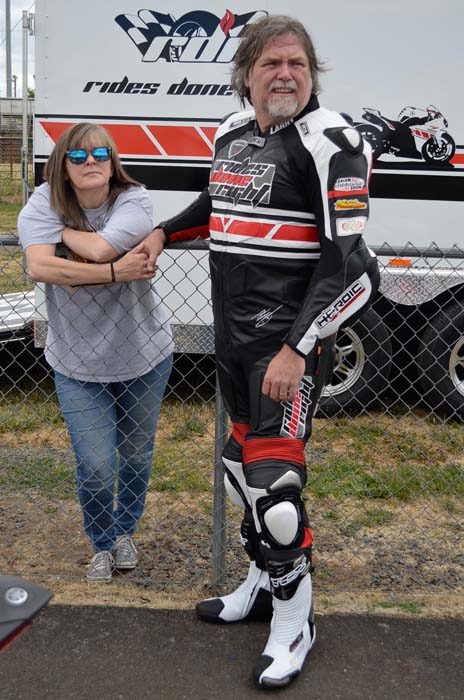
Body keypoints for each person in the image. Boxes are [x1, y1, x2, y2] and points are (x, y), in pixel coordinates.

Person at [135, 14, 379, 687]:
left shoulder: (331, 141)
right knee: (241, 471)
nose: (285, 75)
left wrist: (298, 349)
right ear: (246, 73)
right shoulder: (232, 133)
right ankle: (260, 586)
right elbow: (215, 204)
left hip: (286, 353)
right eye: (271, 63)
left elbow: (351, 268)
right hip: (234, 345)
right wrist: (162, 233)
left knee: (275, 493)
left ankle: (294, 621)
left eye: (297, 64)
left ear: (312, 73)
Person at [18, 123, 173, 583]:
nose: (92, 163)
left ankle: (125, 531)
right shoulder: (40, 202)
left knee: (137, 454)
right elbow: (39, 266)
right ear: (62, 166)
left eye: (101, 154)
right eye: (79, 157)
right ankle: (102, 541)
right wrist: (113, 272)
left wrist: (63, 234)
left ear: (113, 161)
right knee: (97, 465)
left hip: (144, 355)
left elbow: (104, 245)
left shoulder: (134, 200)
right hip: (76, 362)